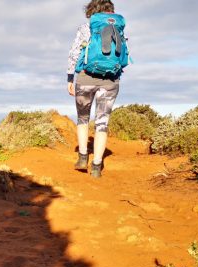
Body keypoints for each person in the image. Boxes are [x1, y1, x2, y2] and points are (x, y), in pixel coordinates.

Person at [66, 0, 122, 178]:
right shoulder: (118, 28)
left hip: (85, 77)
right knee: (102, 122)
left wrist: (69, 77)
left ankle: (83, 158)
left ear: (92, 11)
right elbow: (122, 55)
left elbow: (74, 52)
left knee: (83, 118)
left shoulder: (85, 27)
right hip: (110, 80)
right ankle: (96, 166)